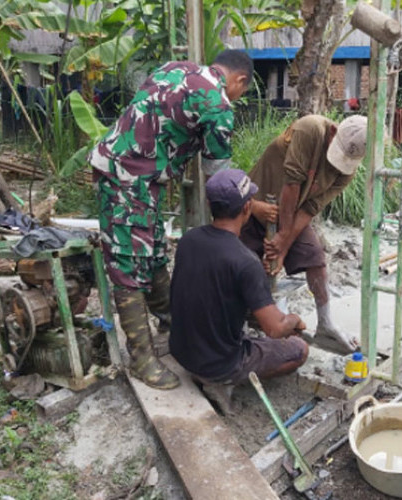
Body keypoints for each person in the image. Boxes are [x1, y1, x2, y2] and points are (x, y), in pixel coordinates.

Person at [88, 50, 254, 389]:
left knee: (154, 254)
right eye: (243, 91)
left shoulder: (176, 68)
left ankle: (172, 323)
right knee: (129, 265)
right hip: (128, 178)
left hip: (133, 173)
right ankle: (142, 359)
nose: (238, 97)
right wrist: (225, 236)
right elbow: (218, 182)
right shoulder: (219, 106)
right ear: (239, 80)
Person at [169, 169, 309, 414]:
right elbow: (275, 329)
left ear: (210, 205)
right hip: (218, 364)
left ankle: (216, 370)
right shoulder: (245, 261)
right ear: (247, 209)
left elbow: (213, 289)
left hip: (181, 351)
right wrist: (294, 320)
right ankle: (222, 381)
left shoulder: (188, 240)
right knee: (299, 349)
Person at [240, 114, 368, 355]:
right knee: (243, 264)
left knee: (315, 257)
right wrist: (280, 237)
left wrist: (283, 243)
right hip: (256, 204)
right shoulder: (310, 130)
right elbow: (291, 185)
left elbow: (310, 207)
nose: (336, 165)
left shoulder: (347, 171)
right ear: (333, 132)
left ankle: (326, 323)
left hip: (293, 214)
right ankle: (242, 323)